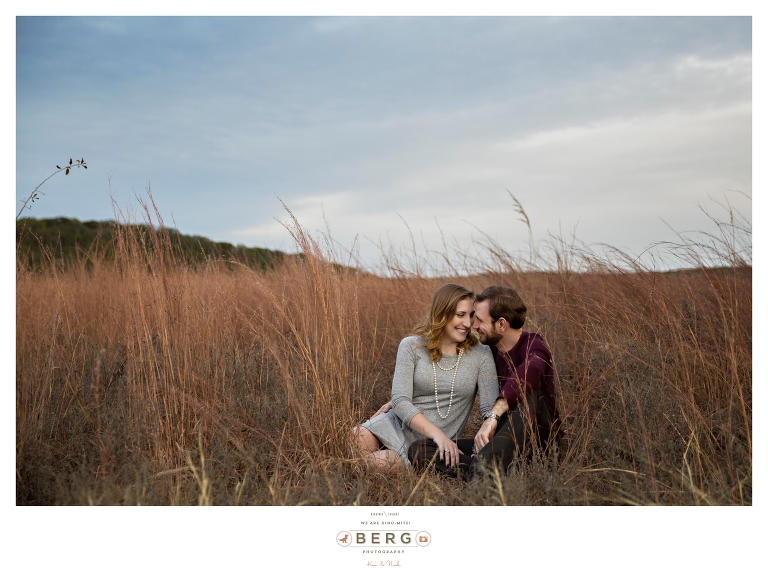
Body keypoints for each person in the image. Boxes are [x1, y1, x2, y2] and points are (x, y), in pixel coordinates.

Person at [353, 283, 498, 474]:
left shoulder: (481, 354)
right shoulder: (411, 345)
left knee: (381, 463)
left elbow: (489, 408)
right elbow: (400, 400)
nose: (468, 323)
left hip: (427, 445)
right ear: (442, 314)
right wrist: (437, 434)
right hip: (400, 424)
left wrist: (486, 433)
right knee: (356, 437)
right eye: (460, 315)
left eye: (471, 315)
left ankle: (389, 467)